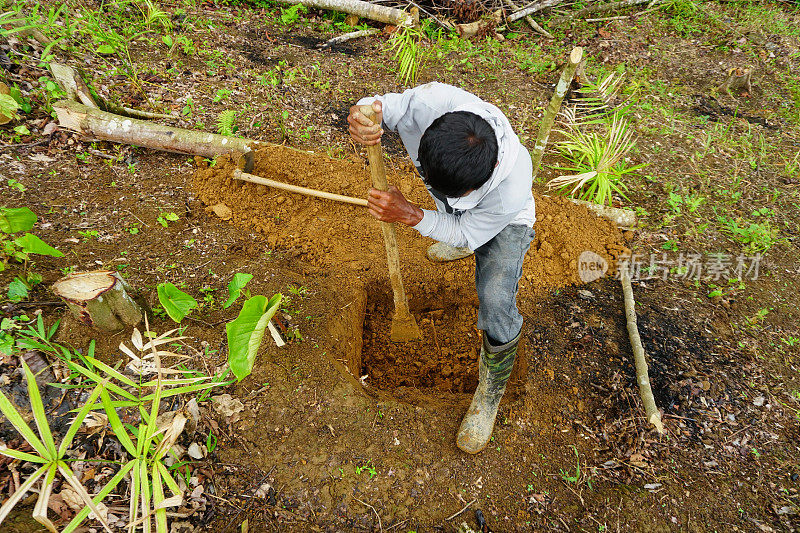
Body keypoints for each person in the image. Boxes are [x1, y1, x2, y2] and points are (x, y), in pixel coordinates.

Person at [347, 82, 535, 454]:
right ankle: (446, 203)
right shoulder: (431, 102)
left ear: (490, 170)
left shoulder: (509, 189)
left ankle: (489, 392)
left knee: (495, 300)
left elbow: (465, 233)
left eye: (457, 195)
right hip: (460, 198)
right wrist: (362, 116)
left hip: (503, 224)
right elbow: (378, 108)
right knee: (449, 214)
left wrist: (412, 215)